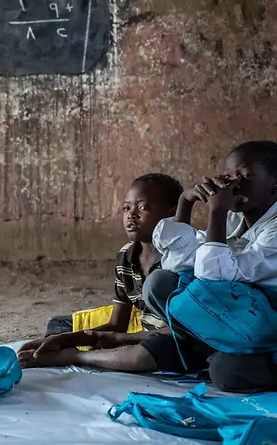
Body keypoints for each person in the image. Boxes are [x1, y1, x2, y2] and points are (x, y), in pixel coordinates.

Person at [140, 140, 277, 392]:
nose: (233, 184)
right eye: (228, 176)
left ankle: (222, 354)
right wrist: (185, 201)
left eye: (244, 175)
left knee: (227, 373)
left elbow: (214, 279)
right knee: (159, 283)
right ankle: (213, 347)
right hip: (242, 316)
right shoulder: (235, 219)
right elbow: (179, 263)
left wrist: (216, 213)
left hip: (270, 329)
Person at [17, 173, 183, 369]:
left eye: (143, 207)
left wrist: (118, 338)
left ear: (172, 212)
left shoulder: (180, 260)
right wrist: (64, 339)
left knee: (148, 353)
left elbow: (181, 331)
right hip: (139, 331)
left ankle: (75, 357)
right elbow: (117, 323)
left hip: (174, 340)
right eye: (126, 208)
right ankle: (75, 350)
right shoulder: (126, 257)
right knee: (60, 325)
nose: (131, 215)